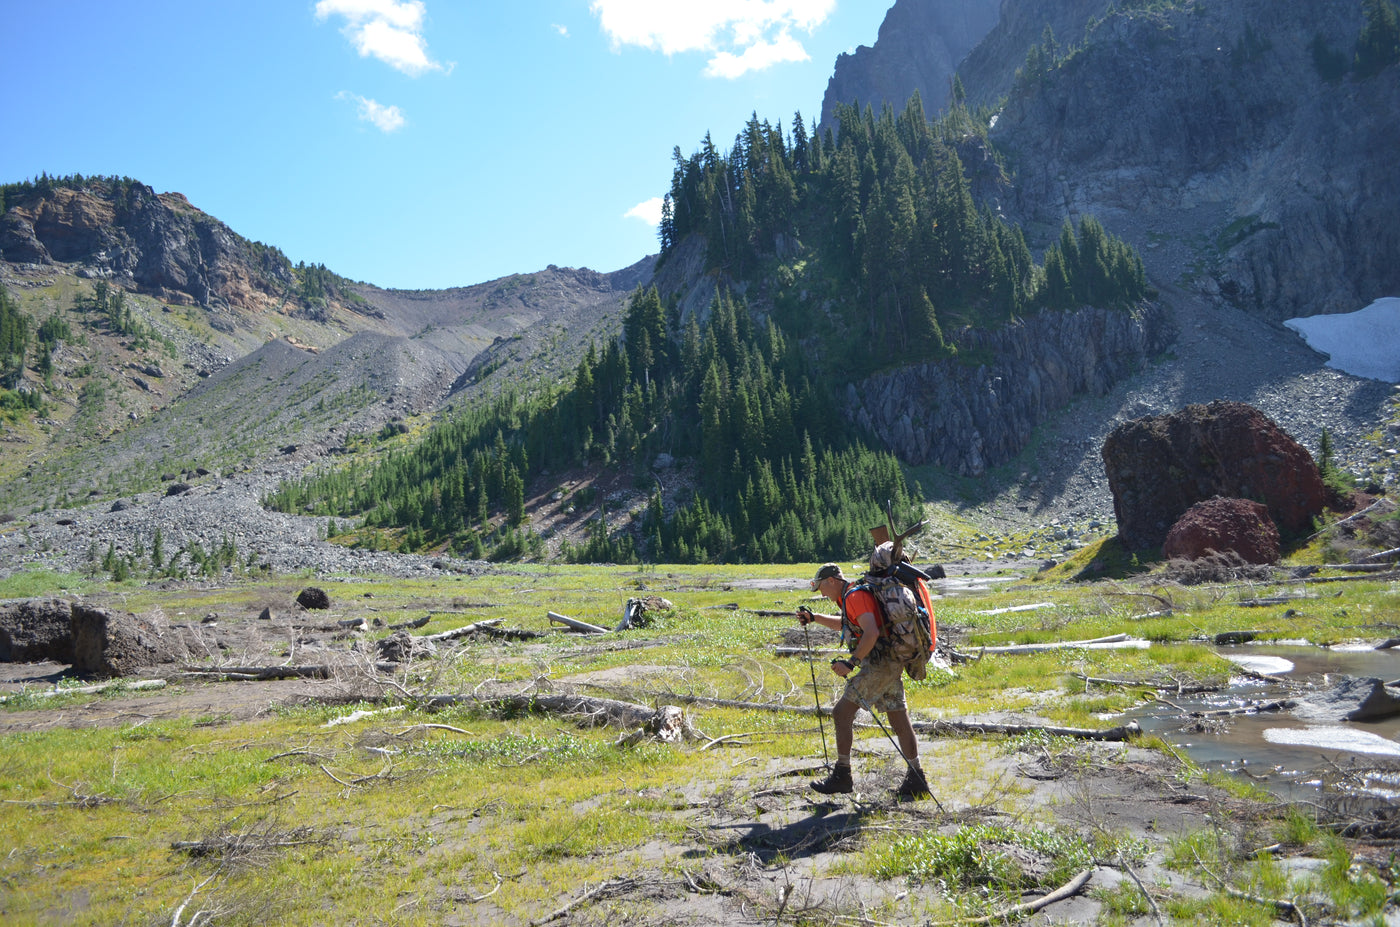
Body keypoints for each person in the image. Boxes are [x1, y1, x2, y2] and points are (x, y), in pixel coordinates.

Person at [797, 561, 930, 799]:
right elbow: (847, 623)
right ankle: (916, 778)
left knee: (841, 713)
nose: (822, 593)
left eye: (821, 588)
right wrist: (814, 617)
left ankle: (843, 775)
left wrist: (851, 662)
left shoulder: (854, 596)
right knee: (898, 717)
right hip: (890, 662)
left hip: (879, 666)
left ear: (831, 581)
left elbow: (871, 632)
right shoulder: (851, 596)